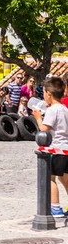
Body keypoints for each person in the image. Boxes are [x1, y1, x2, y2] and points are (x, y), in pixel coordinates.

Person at [32, 77, 68, 217]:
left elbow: (44, 129)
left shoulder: (53, 110)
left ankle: (55, 207)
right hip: (66, 148)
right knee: (65, 178)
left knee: (50, 178)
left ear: (48, 94)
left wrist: (38, 117)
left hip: (56, 148)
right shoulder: (65, 109)